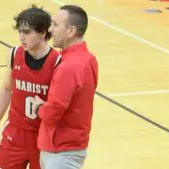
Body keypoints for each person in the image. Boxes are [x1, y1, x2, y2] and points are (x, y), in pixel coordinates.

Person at [0, 5, 61, 169]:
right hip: (15, 133)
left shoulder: (57, 62)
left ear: (42, 33)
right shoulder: (14, 54)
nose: (21, 37)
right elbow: (6, 89)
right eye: (20, 32)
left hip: (43, 136)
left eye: (27, 32)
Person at [31, 5, 98, 169]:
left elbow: (53, 111)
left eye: (55, 24)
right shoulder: (88, 59)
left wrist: (39, 107)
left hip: (60, 151)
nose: (50, 29)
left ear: (71, 31)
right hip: (70, 147)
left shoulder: (69, 67)